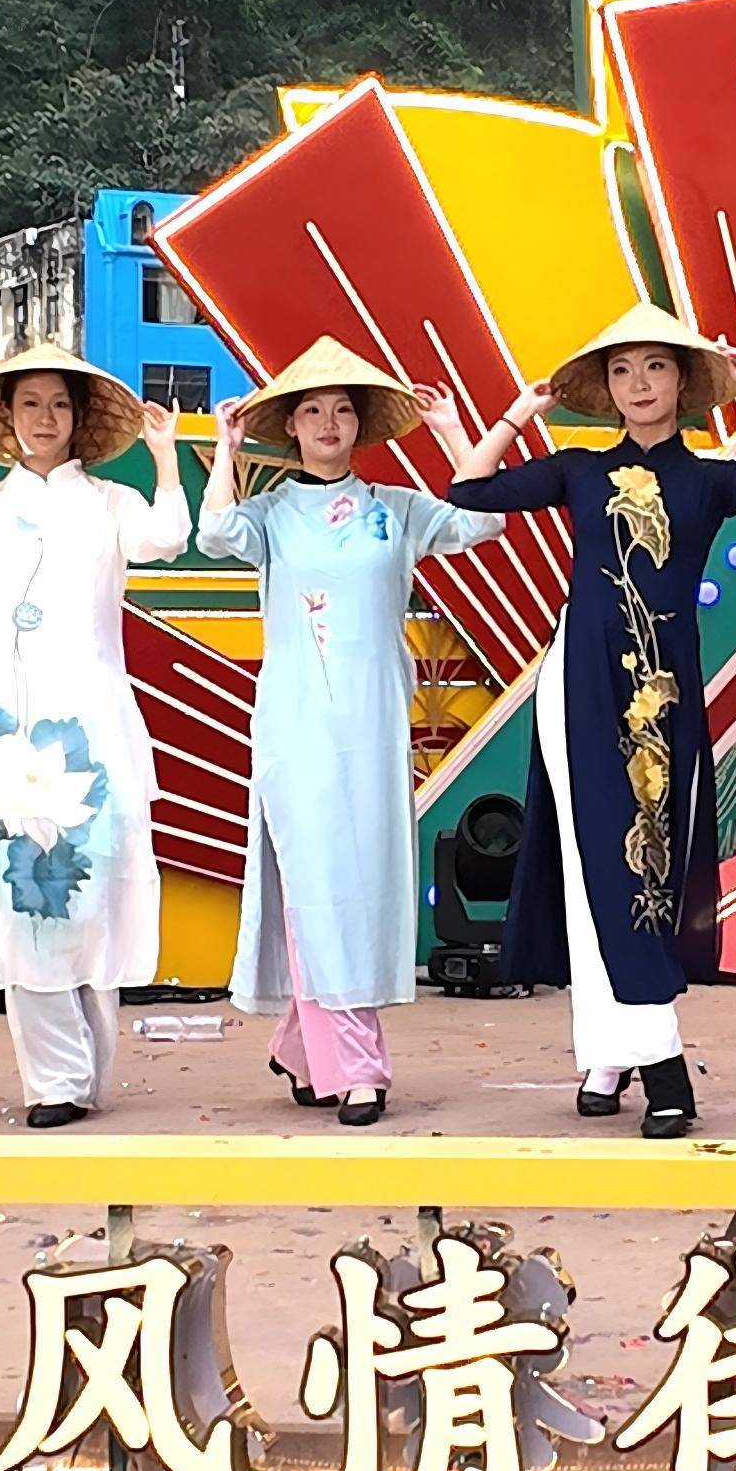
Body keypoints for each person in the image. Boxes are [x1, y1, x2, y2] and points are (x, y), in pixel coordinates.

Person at [445, 301, 736, 1138]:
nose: (638, 384)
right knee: (598, 869)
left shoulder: (710, 478)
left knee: (645, 869)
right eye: (621, 370)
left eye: (655, 367)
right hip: (579, 683)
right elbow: (467, 489)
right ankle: (659, 1068)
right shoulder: (578, 470)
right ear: (606, 389)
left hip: (664, 694)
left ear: (683, 383)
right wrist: (520, 414)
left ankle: (609, 1053)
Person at [194, 338, 502, 1125]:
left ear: (360, 424)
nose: (328, 423)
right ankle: (358, 1067)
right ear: (291, 426)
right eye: (311, 411)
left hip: (373, 720)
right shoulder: (269, 515)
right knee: (316, 876)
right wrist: (226, 447)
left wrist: (451, 432)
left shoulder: (396, 509)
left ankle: (303, 1043)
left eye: (341, 410)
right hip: (297, 722)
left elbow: (486, 520)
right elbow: (214, 535)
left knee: (359, 881)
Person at [0, 341, 190, 1129]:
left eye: (60, 404)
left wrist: (166, 458)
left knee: (89, 892)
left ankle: (87, 1070)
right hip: (3, 729)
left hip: (89, 726)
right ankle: (52, 1081)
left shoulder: (110, 502)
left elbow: (167, 537)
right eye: (29, 403)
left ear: (79, 419)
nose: (44, 418)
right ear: (8, 416)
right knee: (20, 895)